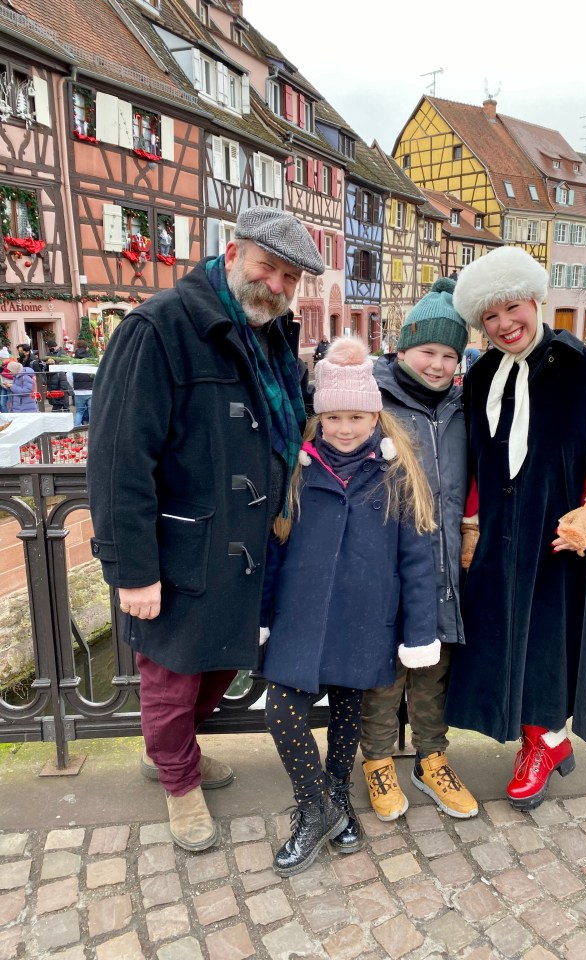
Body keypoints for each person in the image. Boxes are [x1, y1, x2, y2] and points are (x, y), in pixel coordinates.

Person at [87, 206, 325, 851]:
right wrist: (132, 569)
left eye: (290, 278)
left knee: (223, 662)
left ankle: (172, 755)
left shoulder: (272, 335)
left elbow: (291, 424)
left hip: (250, 544)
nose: (275, 285)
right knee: (172, 673)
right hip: (183, 545)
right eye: (267, 268)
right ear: (232, 254)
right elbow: (117, 459)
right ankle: (178, 783)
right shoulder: (159, 327)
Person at [447, 245, 586, 810]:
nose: (504, 324)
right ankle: (534, 738)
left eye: (512, 308)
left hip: (559, 539)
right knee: (502, 638)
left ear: (536, 301)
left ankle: (545, 743)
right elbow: (480, 458)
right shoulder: (483, 371)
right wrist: (471, 523)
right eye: (490, 317)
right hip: (499, 536)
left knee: (551, 644)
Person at [261, 336, 440, 876]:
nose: (344, 428)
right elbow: (274, 548)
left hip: (364, 615)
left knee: (346, 713)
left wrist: (418, 633)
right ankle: (316, 807)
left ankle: (337, 793)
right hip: (300, 614)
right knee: (282, 710)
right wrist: (264, 618)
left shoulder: (395, 473)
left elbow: (417, 560)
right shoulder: (297, 469)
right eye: (334, 416)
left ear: (373, 416)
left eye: (357, 416)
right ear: (319, 417)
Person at [360, 278, 478, 822]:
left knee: (436, 669)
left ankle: (432, 757)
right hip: (388, 568)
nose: (437, 364)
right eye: (427, 351)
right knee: (386, 674)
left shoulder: (463, 404)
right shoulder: (371, 401)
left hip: (447, 564)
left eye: (449, 354)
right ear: (401, 347)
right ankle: (378, 760)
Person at [68, 338, 95, 426]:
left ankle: (76, 431)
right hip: (91, 390)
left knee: (79, 412)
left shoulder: (73, 361)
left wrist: (73, 385)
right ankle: (91, 431)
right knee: (92, 412)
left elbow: (68, 375)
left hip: (78, 391)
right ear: (86, 348)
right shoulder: (91, 359)